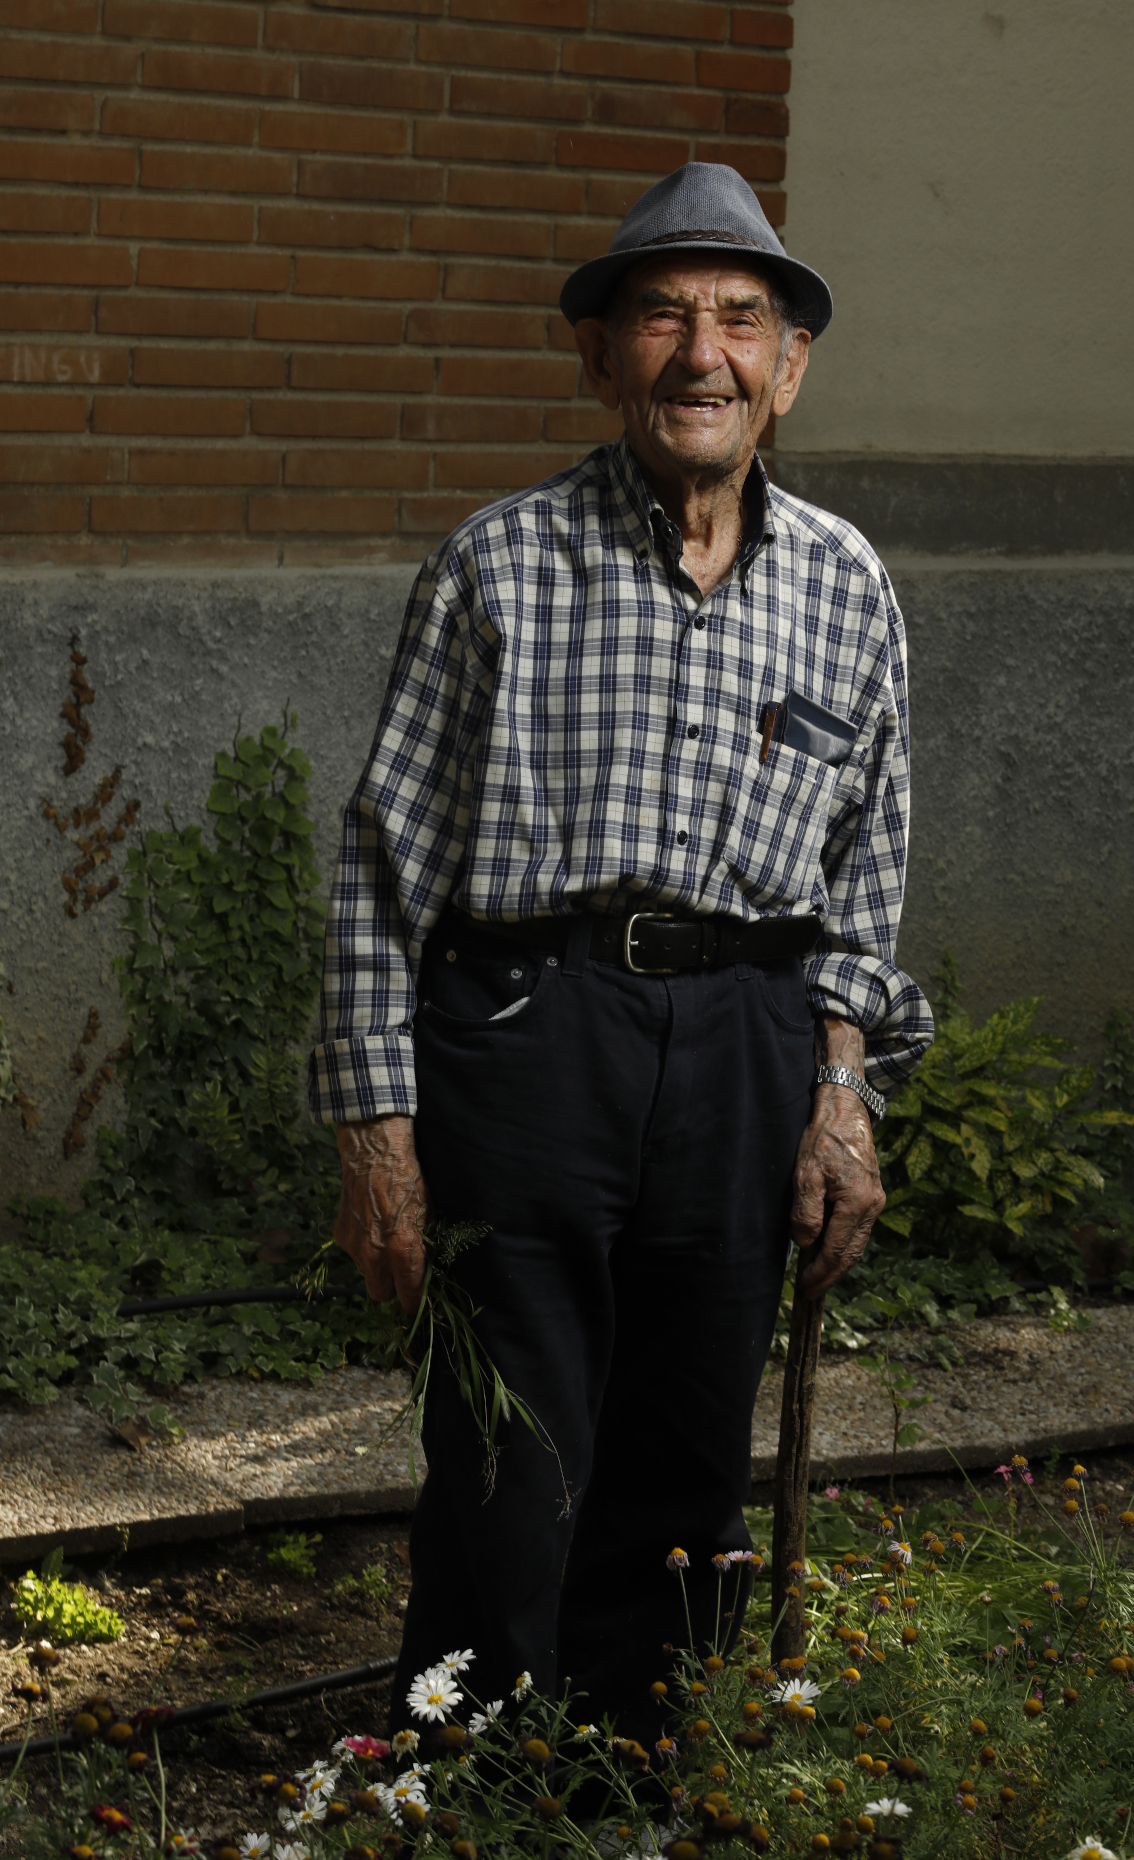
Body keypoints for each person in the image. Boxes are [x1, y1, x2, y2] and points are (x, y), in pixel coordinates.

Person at [308, 162, 933, 1746]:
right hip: (531, 1026)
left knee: (687, 1443)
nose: (702, 354)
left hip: (747, 1039)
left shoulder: (847, 586)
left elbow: (867, 877)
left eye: (741, 320)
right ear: (600, 356)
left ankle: (636, 1780)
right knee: (508, 1446)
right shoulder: (499, 564)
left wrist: (842, 1093)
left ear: (791, 366)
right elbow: (381, 864)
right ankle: (465, 1778)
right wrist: (376, 1128)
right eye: (662, 316)